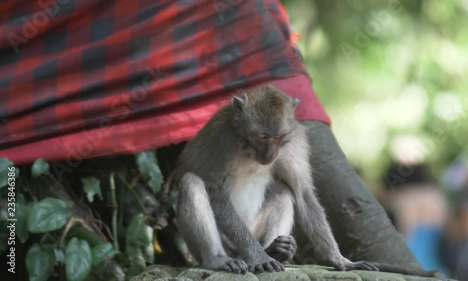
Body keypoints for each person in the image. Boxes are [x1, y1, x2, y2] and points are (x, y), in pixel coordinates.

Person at [0, 0, 421, 273]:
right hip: (213, 228)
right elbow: (215, 200)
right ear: (239, 117)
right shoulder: (225, 130)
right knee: (192, 184)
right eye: (259, 140)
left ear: (292, 122)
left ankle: (279, 255)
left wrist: (336, 257)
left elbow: (309, 199)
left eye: (276, 140)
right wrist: (247, 256)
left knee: (289, 195)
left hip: (257, 225)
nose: (267, 151)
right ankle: (218, 259)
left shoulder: (291, 139)